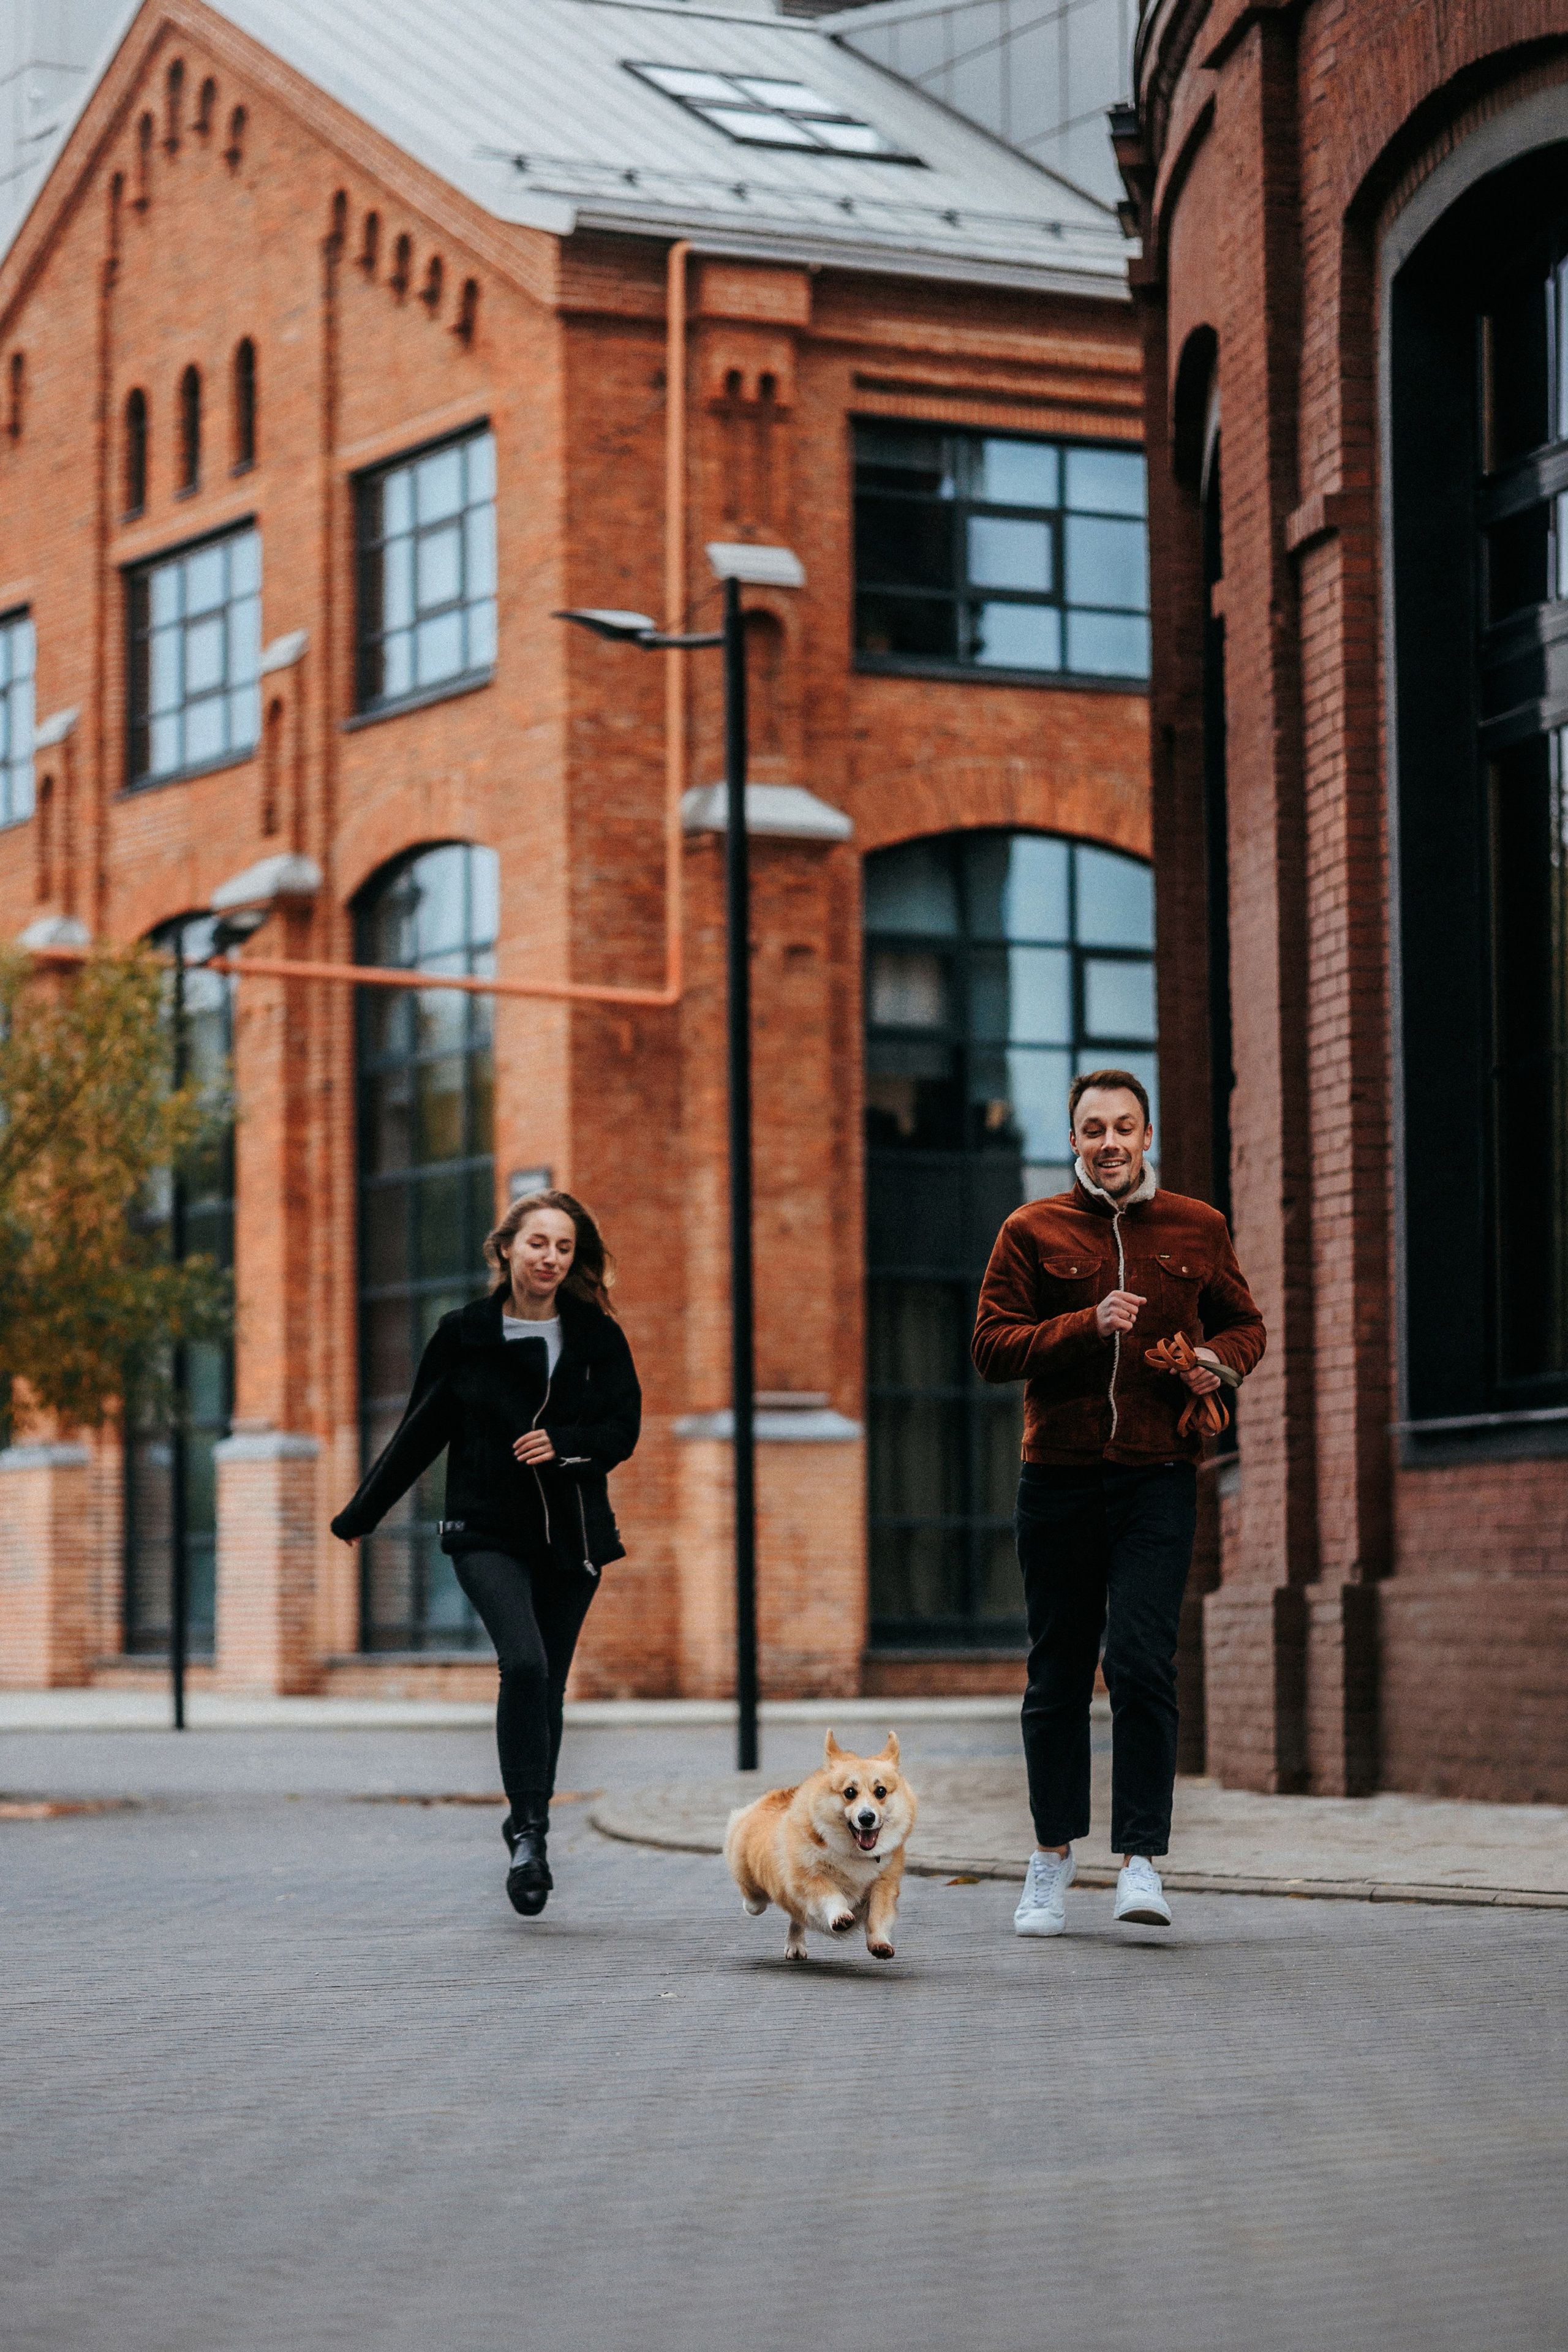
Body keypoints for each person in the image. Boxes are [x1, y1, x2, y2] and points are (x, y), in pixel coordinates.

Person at [972, 1069, 1265, 1937]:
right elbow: (991, 1347)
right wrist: (1085, 1323)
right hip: (1056, 1477)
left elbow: (1246, 1325)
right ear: (1073, 1142)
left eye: (1124, 1127)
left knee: (1140, 1662)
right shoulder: (1030, 1230)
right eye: (1093, 1128)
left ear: (1146, 1138)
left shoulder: (1198, 1227)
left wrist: (1217, 1362)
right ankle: (1051, 1860)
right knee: (1058, 1675)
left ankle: (1141, 1862)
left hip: (1156, 1476)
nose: (1109, 1142)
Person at [331, 1191, 641, 1918]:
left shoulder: (597, 1335)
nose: (551, 1259)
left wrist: (565, 1445)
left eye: (563, 1248)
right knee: (524, 1664)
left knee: (549, 1689)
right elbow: (420, 1430)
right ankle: (527, 1832)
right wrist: (363, 1512)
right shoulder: (465, 1333)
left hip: (571, 1535)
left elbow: (621, 1429)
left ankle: (531, 1825)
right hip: (486, 1530)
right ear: (506, 1248)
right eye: (538, 1243)